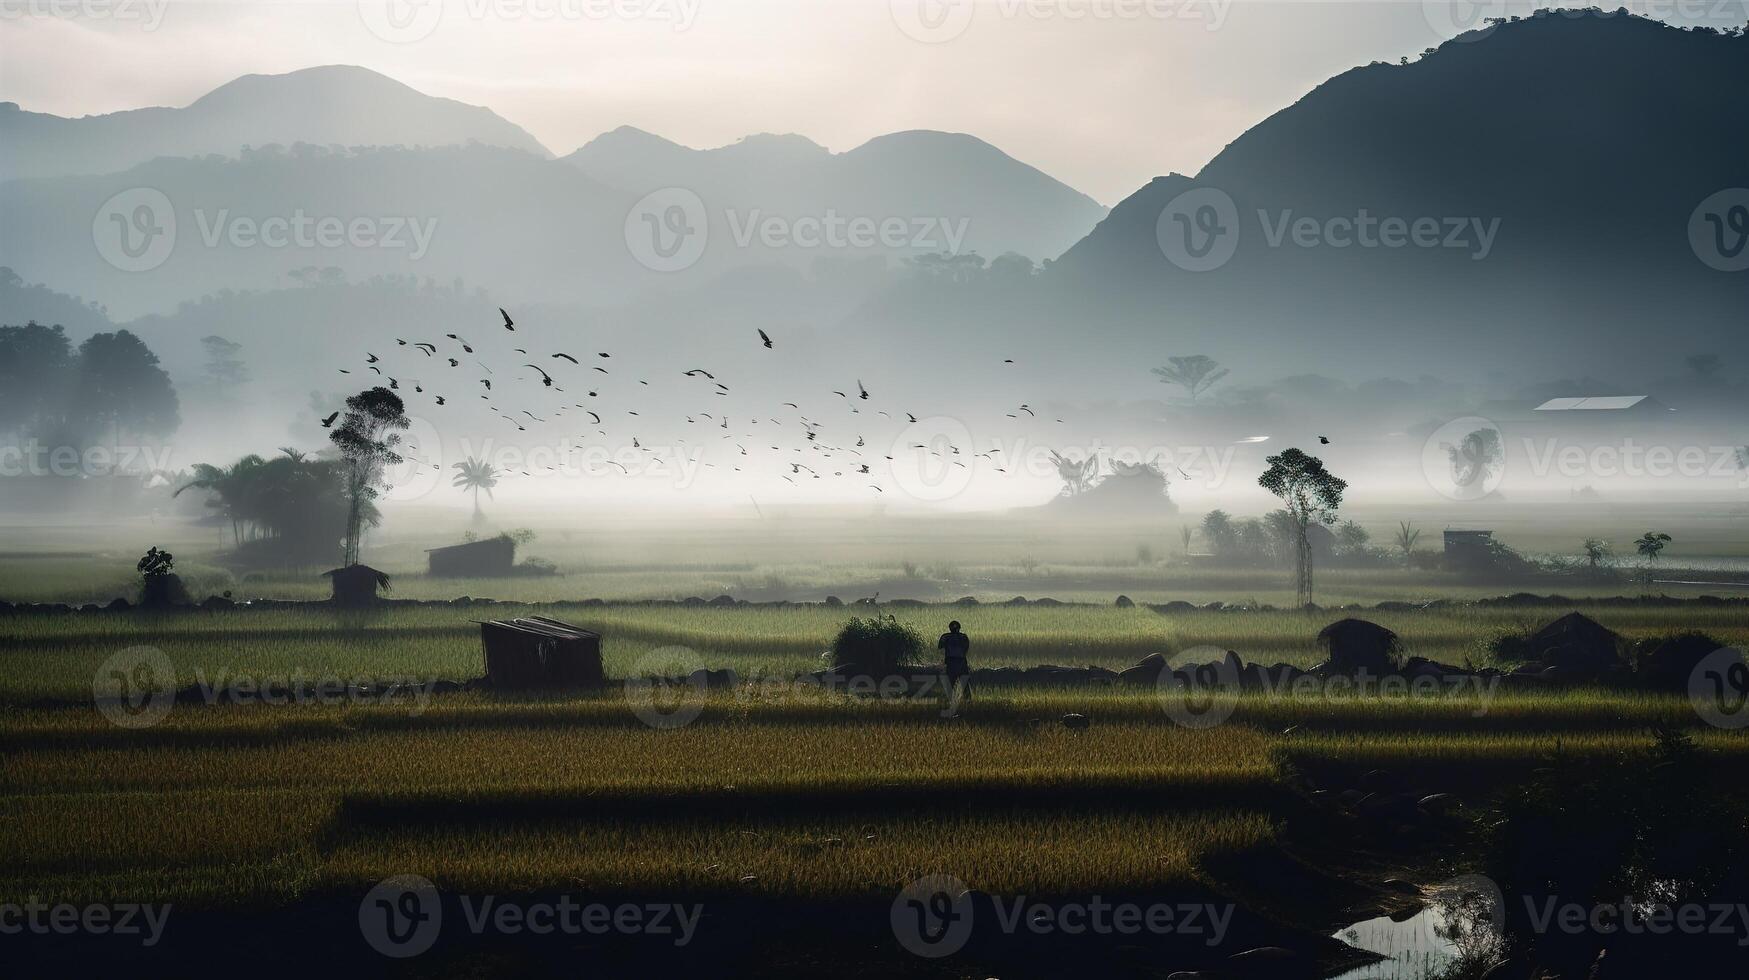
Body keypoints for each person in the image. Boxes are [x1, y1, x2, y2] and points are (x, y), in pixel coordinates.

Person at [938, 620, 971, 711]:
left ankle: (950, 702)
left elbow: (940, 646)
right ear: (959, 628)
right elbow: (966, 649)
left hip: (951, 663)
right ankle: (968, 702)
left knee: (951, 684)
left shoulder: (946, 636)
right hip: (961, 662)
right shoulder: (963, 637)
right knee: (964, 684)